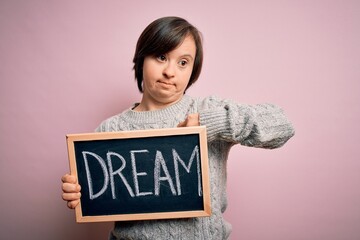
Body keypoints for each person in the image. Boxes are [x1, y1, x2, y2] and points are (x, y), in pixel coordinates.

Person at [61, 16, 295, 240]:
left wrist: (210, 124)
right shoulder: (110, 129)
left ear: (192, 70)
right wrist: (80, 192)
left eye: (183, 62)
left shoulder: (206, 109)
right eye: (161, 57)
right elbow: (98, 197)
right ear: (142, 58)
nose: (170, 72)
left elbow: (282, 125)